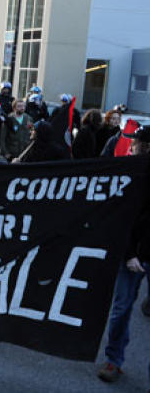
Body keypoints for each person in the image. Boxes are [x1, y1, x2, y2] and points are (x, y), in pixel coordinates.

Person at [96, 125, 150, 387]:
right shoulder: (129, 174)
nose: (135, 147)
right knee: (120, 311)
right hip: (129, 256)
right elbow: (122, 216)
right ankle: (113, 360)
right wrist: (129, 254)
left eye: (138, 143)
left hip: (144, 253)